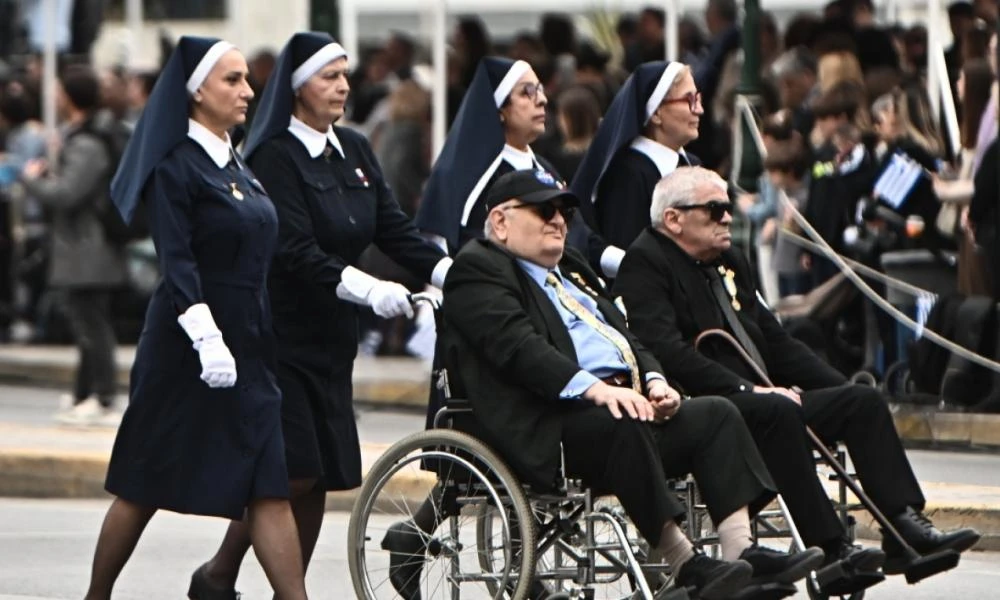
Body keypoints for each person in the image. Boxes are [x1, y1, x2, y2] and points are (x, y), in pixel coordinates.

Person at [384, 169, 825, 600]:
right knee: (621, 422)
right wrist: (599, 390)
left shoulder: (571, 267)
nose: (558, 220)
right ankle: (685, 563)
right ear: (501, 221)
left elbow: (625, 334)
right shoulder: (478, 269)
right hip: (542, 421)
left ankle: (739, 554)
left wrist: (654, 381)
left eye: (564, 213)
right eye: (543, 211)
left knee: (716, 413)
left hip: (618, 406)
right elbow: (521, 350)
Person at [614, 166, 983, 595]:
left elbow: (775, 340)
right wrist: (750, 390)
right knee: (779, 410)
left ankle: (903, 527)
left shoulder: (729, 260)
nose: (728, 218)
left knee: (861, 401)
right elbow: (668, 352)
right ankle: (831, 549)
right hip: (713, 405)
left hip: (767, 395)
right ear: (674, 219)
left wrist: (836, 387)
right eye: (714, 211)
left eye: (729, 209)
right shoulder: (645, 263)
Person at [190, 32, 451, 596]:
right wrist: (367, 288)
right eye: (329, 76)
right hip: (279, 334)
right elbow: (294, 248)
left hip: (333, 338)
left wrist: (448, 272)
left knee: (316, 480)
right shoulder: (274, 154)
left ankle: (224, 578)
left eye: (345, 74)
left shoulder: (354, 148)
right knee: (294, 471)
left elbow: (393, 227)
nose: (343, 86)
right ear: (297, 86)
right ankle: (249, 582)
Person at [82, 36, 307, 600]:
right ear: (195, 91)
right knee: (143, 481)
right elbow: (177, 262)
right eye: (231, 80)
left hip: (251, 345)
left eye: (246, 79)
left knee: (269, 484)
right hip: (187, 346)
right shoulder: (175, 167)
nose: (248, 91)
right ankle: (96, 596)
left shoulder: (236, 161)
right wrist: (207, 338)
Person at [414, 55, 621, 277]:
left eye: (540, 90)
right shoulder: (476, 179)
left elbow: (582, 240)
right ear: (500, 110)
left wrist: (626, 261)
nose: (542, 100)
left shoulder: (544, 168)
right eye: (527, 92)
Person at [18, 64, 126, 426]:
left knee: (93, 325)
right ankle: (86, 394)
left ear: (70, 97)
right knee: (85, 325)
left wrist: (30, 180)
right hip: (85, 249)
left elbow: (66, 194)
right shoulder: (81, 137)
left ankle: (106, 397)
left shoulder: (87, 143)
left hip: (88, 249)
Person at [571, 61, 703, 251]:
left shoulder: (691, 164)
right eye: (688, 100)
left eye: (698, 99)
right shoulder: (627, 174)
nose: (699, 109)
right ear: (656, 112)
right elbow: (630, 257)